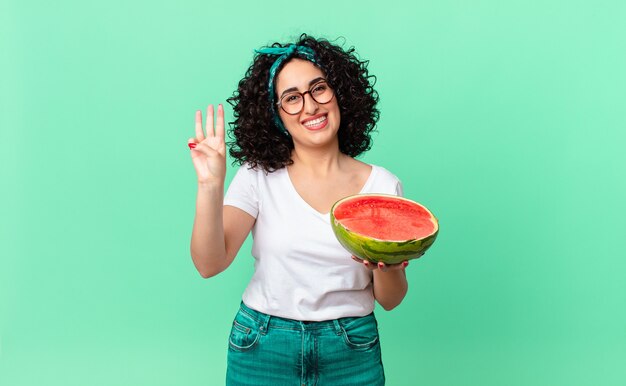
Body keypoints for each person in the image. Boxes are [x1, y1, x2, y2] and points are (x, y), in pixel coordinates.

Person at [187, 34, 410, 386]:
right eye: (291, 98)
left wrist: (389, 266)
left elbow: (391, 300)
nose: (309, 106)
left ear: (339, 93)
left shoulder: (382, 185)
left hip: (351, 347)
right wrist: (210, 184)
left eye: (318, 89)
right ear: (275, 115)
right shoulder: (257, 176)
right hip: (262, 344)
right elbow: (209, 264)